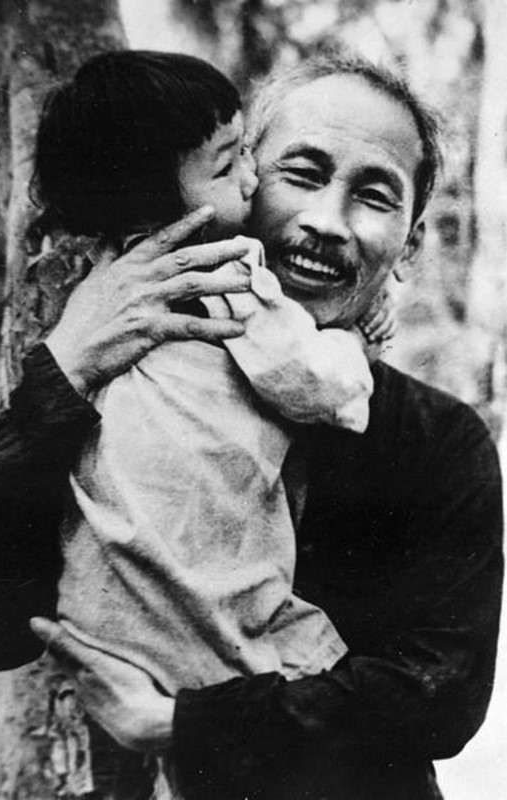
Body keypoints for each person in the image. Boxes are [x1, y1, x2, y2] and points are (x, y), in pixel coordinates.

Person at [0, 52, 503, 800]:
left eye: (373, 195)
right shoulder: (108, 368)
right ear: (238, 181)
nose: (326, 222)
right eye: (301, 172)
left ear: (410, 241)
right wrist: (62, 374)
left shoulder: (434, 438)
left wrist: (182, 722)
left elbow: (438, 696)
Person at [37, 50, 377, 738]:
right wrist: (353, 344)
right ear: (168, 209)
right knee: (294, 650)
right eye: (227, 168)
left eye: (247, 151)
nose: (251, 177)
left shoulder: (99, 286)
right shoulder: (227, 271)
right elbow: (316, 385)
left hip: (102, 615)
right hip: (205, 593)